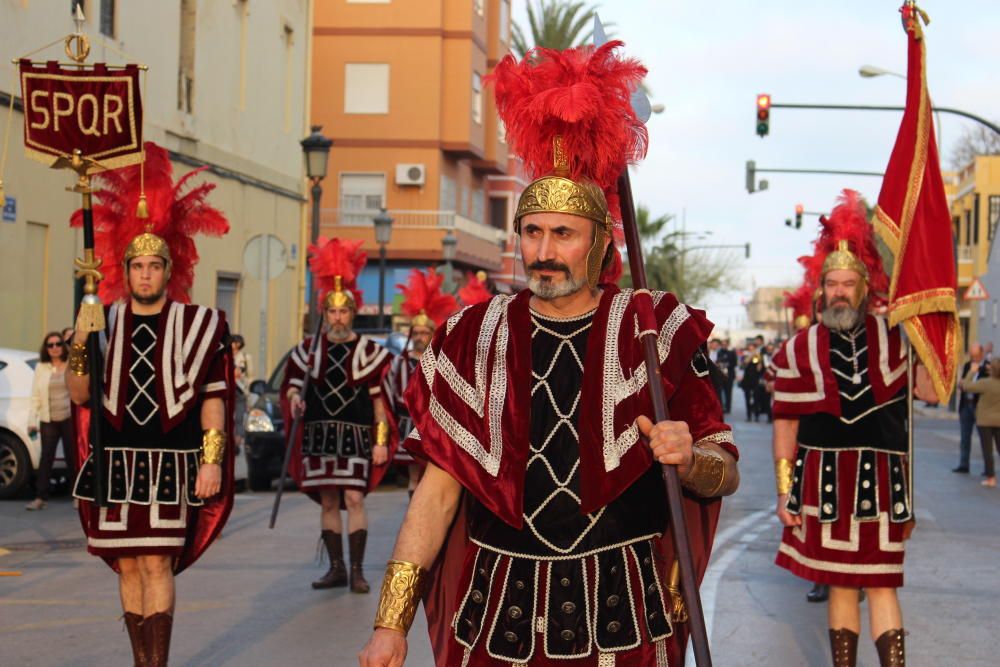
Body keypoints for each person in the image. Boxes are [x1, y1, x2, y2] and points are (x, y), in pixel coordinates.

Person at [360, 41, 739, 667]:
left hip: (623, 617)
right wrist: (390, 622)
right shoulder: (472, 336)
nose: (543, 250)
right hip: (500, 616)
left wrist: (691, 456)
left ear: (595, 246)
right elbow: (437, 492)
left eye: (563, 234)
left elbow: (724, 465)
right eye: (532, 232)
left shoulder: (653, 328)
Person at [67, 142, 233, 667]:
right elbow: (80, 396)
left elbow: (212, 399)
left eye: (153, 266)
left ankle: (156, 664)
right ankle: (140, 661)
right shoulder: (103, 322)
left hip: (169, 462)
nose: (144, 274)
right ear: (127, 269)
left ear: (168, 269)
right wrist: (78, 341)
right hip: (115, 461)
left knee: (158, 563)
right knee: (129, 565)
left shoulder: (199, 325)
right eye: (136, 265)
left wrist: (211, 460)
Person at [771, 191, 913, 667]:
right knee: (840, 585)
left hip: (883, 482)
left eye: (848, 283)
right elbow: (786, 425)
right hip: (823, 481)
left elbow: (933, 394)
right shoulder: (798, 349)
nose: (839, 292)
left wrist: (933, 327)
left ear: (864, 287)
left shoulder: (896, 338)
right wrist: (783, 491)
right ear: (820, 287)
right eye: (832, 283)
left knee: (882, 582)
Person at [282, 237, 394, 594]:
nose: (337, 317)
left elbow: (381, 402)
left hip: (356, 436)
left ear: (353, 312)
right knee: (329, 500)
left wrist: (380, 442)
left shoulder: (370, 352)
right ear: (324, 313)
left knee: (354, 498)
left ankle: (358, 570)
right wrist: (295, 398)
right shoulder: (308, 350)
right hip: (319, 435)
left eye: (343, 311)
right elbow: (292, 385)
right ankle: (336, 568)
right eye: (331, 312)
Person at [385, 268, 457, 497]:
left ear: (431, 334)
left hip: (432, 423)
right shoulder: (399, 362)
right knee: (414, 473)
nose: (419, 337)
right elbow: (389, 394)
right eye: (415, 332)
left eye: (424, 333)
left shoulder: (440, 362)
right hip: (407, 421)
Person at [25, 332, 76, 511]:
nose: (54, 348)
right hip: (48, 418)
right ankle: (40, 497)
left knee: (72, 456)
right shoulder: (41, 368)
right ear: (46, 349)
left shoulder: (70, 364)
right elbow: (35, 396)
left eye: (58, 344)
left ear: (63, 346)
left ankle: (77, 496)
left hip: (69, 417)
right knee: (46, 457)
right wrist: (32, 420)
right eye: (50, 345)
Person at [959, 357, 1000, 487]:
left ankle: (991, 477)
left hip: (984, 421)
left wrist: (972, 371)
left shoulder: (985, 383)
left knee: (987, 450)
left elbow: (966, 385)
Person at [954, 343, 988, 474]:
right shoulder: (968, 365)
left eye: (976, 356)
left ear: (981, 354)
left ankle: (988, 469)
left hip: (980, 406)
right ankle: (964, 464)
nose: (974, 359)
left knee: (985, 439)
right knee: (964, 437)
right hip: (966, 405)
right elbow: (962, 383)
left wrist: (968, 383)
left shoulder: (988, 367)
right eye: (972, 356)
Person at [231, 334, 251, 446]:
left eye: (234, 342)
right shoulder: (226, 355)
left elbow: (239, 372)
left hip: (239, 390)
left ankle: (236, 443)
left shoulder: (243, 357)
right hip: (228, 390)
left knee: (239, 418)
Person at [740, 342, 765, 422]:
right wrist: (751, 355)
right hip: (747, 379)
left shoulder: (758, 356)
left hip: (755, 379)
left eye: (752, 347)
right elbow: (744, 364)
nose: (751, 349)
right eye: (750, 347)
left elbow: (759, 369)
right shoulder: (745, 355)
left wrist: (760, 360)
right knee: (747, 398)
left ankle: (757, 415)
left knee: (756, 398)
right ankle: (749, 416)